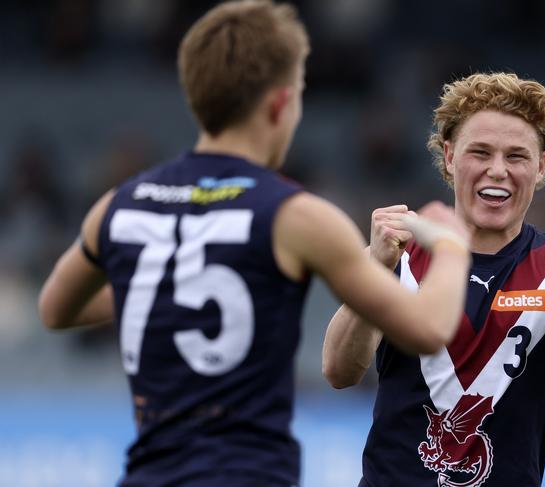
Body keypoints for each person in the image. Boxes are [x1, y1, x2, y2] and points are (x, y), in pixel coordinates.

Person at [37, 1, 472, 486]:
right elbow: (430, 328)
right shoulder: (296, 216)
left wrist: (166, 282)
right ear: (281, 103)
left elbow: (57, 309)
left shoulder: (122, 204)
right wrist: (452, 246)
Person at [322, 72, 545, 487]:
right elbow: (338, 371)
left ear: (542, 164)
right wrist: (376, 270)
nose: (497, 170)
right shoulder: (398, 252)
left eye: (516, 156)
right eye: (480, 152)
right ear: (450, 155)